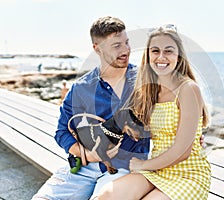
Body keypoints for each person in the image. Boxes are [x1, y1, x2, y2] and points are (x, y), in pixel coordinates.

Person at [32, 16, 150, 200]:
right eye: (116, 46)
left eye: (126, 42)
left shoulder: (145, 82)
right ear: (97, 48)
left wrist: (191, 132)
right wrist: (87, 155)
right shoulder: (80, 88)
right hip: (83, 168)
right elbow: (61, 132)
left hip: (125, 170)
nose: (126, 50)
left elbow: (171, 114)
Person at [96, 24, 211, 199]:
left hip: (187, 173)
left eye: (169, 51)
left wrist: (143, 165)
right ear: (148, 55)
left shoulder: (188, 88)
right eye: (155, 51)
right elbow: (124, 119)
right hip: (156, 170)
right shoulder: (148, 90)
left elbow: (182, 150)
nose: (161, 57)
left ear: (179, 56)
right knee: (107, 195)